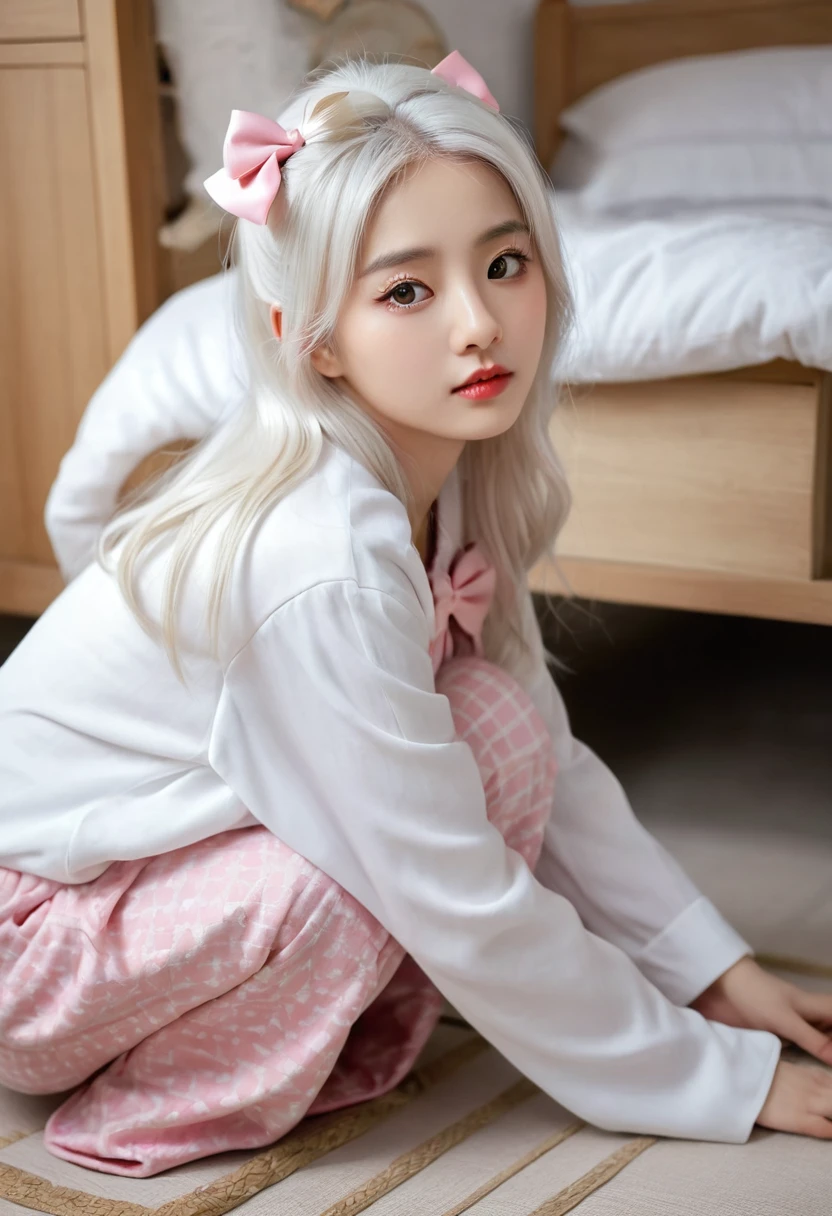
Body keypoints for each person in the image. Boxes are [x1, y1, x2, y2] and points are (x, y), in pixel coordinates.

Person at [1, 51, 831, 1180]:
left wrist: (710, 971)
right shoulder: (319, 553)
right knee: (352, 863)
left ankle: (285, 1021)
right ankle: (158, 1103)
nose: (479, 325)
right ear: (313, 334)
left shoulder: (447, 489)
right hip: (35, 943)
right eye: (406, 290)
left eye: (504, 264)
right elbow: (447, 884)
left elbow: (549, 754)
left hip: (130, 886)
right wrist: (714, 1077)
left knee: (493, 723)